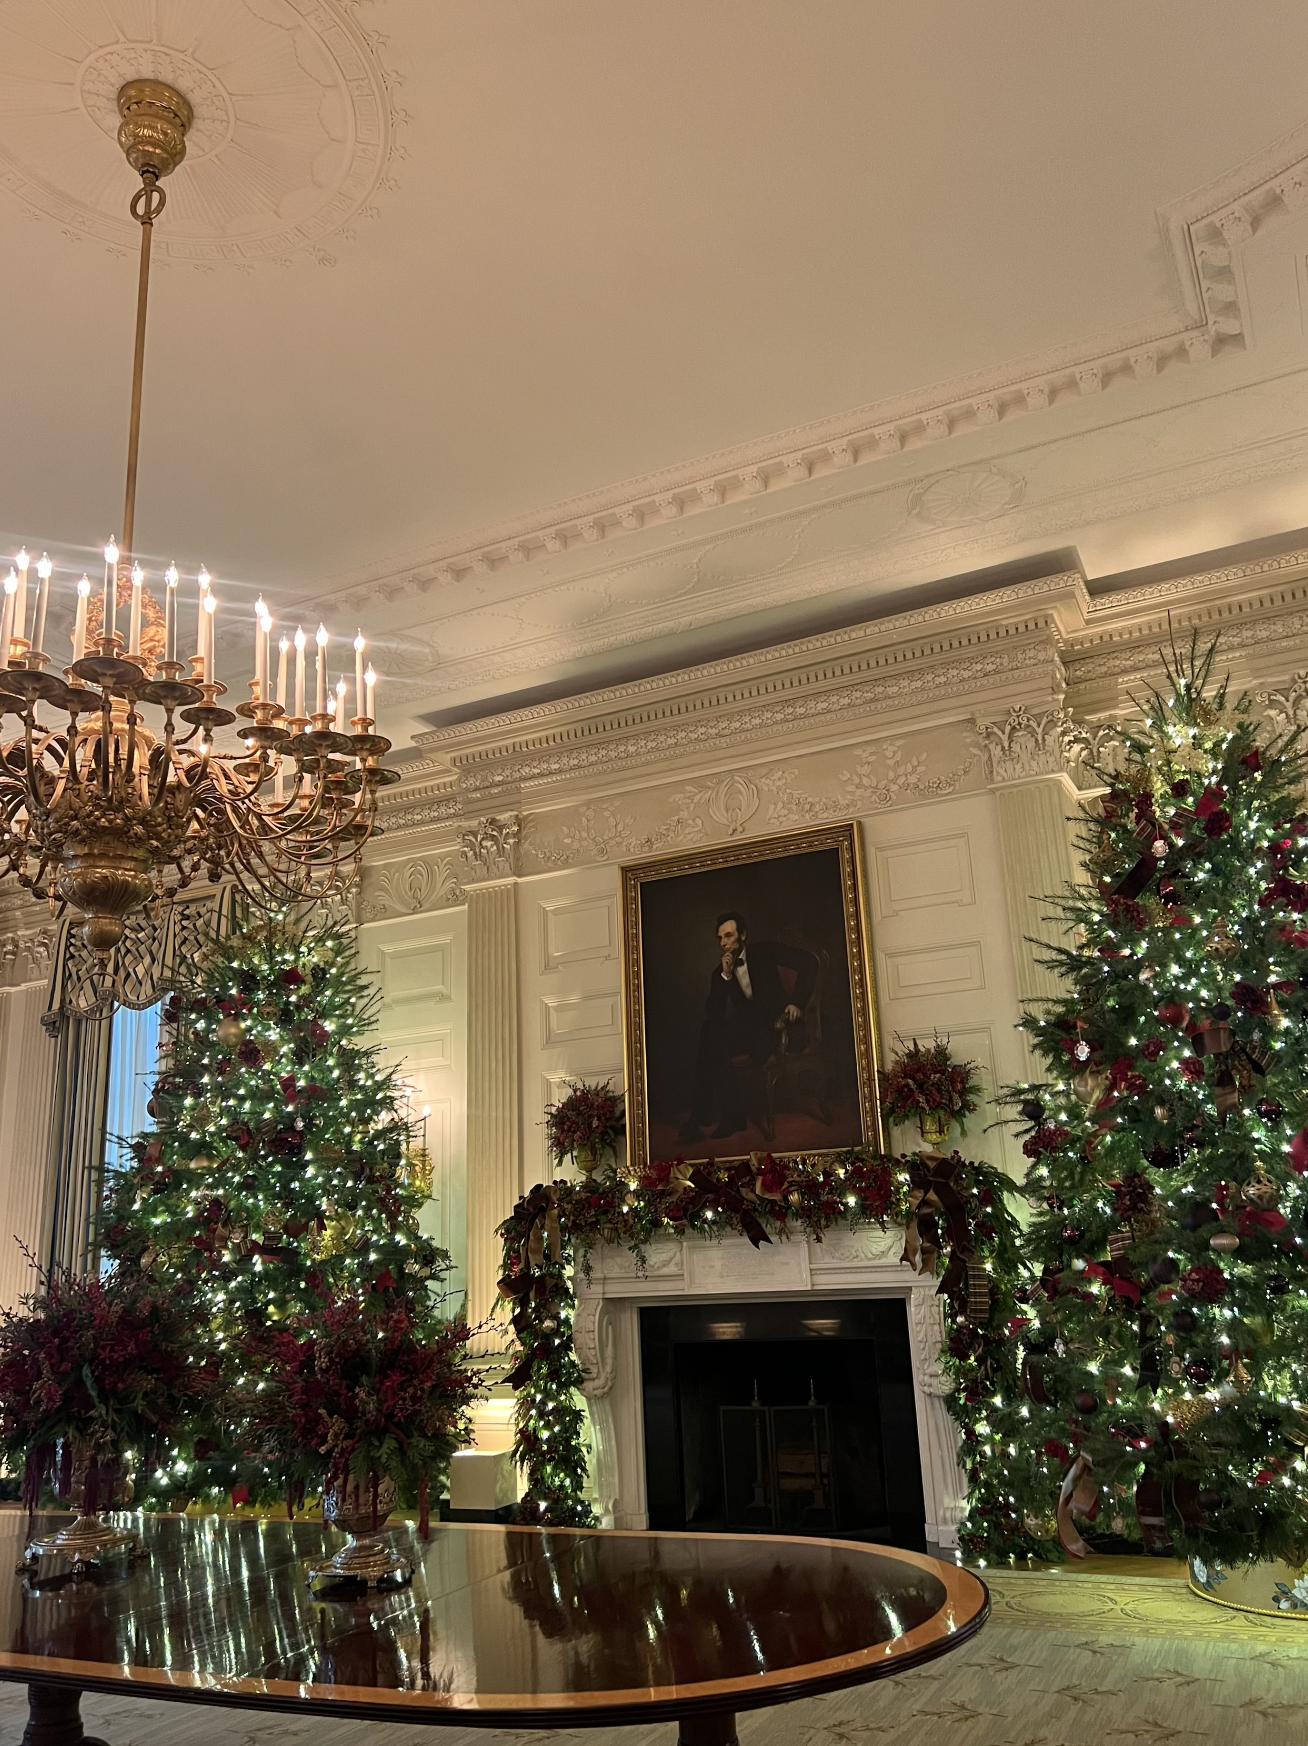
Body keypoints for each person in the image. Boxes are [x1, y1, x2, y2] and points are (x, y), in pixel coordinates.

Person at [679, 911, 818, 1141]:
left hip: (777, 1027)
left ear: (742, 935)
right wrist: (725, 976)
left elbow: (809, 962)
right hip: (750, 1030)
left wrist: (797, 1002)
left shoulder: (766, 951)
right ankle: (724, 1116)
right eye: (720, 938)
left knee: (712, 1043)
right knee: (709, 1032)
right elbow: (714, 1014)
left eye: (729, 936)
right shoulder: (720, 972)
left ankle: (707, 1115)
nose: (723, 943)